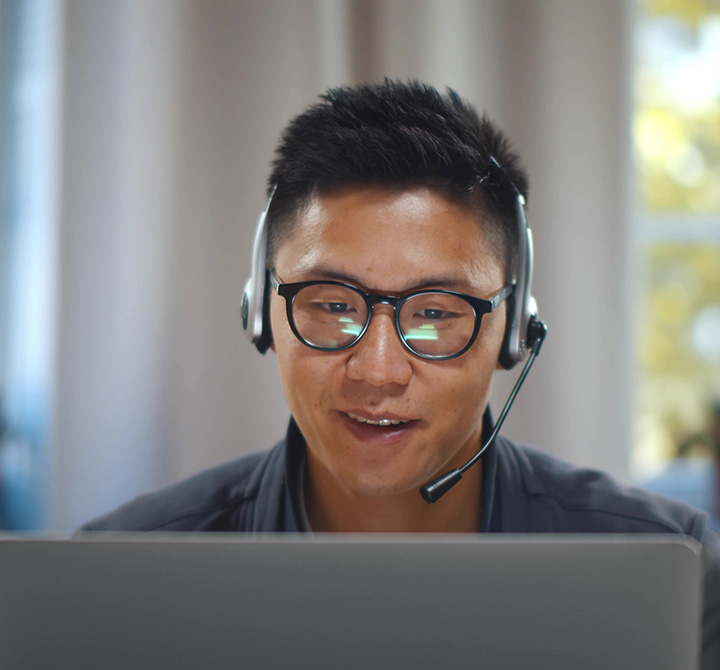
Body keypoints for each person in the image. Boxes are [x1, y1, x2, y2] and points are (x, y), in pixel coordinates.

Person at [80, 80, 719, 666]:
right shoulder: (109, 576)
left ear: (515, 328)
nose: (378, 370)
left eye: (435, 313)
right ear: (261, 312)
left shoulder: (678, 571)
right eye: (332, 305)